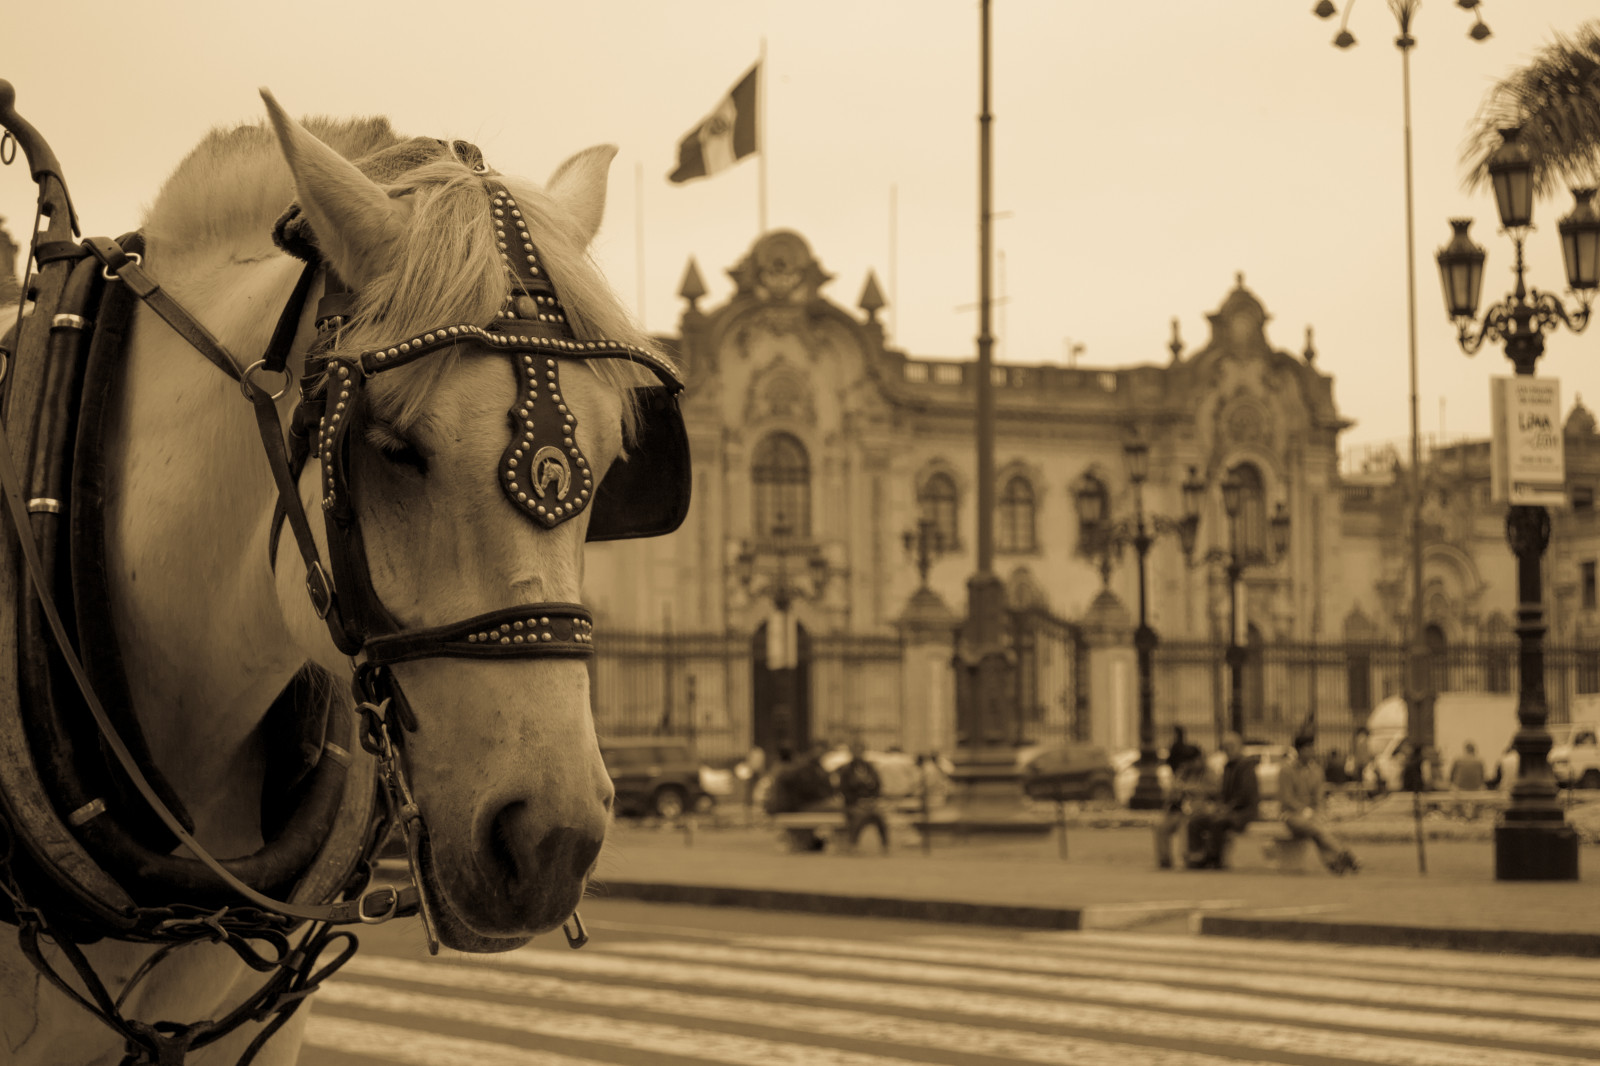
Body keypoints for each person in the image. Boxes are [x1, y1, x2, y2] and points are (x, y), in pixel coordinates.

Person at [1273, 735, 1360, 874]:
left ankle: (1333, 862)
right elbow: (1286, 798)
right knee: (1316, 828)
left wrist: (1319, 812)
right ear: (1299, 751)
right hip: (1291, 815)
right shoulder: (1286, 770)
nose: (1311, 752)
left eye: (1312, 748)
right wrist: (1305, 811)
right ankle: (1342, 852)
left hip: (1312, 816)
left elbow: (1319, 798)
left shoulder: (1317, 771)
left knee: (1317, 828)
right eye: (1307, 749)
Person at [1184, 732, 1258, 869]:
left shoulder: (1246, 766)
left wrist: (1226, 808)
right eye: (1225, 747)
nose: (1228, 750)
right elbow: (1223, 793)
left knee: (1218, 821)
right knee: (1195, 821)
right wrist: (1218, 806)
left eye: (1231, 746)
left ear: (1239, 746)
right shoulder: (1228, 766)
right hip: (1229, 809)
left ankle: (1214, 857)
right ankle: (1196, 855)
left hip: (1244, 812)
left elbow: (1244, 795)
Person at [1155, 744, 1209, 869]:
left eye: (1192, 761)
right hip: (1178, 811)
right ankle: (1165, 860)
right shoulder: (1183, 772)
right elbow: (1170, 793)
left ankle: (1187, 858)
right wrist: (1174, 792)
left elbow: (1213, 790)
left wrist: (1190, 789)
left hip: (1197, 811)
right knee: (1160, 825)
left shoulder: (1207, 772)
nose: (1189, 765)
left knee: (1185, 825)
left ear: (1199, 759)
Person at [837, 740, 889, 853]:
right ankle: (853, 844)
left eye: (860, 750)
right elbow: (844, 790)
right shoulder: (846, 770)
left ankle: (885, 845)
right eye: (856, 750)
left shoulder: (870, 768)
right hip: (853, 804)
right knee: (858, 816)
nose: (858, 753)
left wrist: (872, 800)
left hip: (870, 802)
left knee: (880, 817)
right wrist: (858, 802)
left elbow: (878, 786)